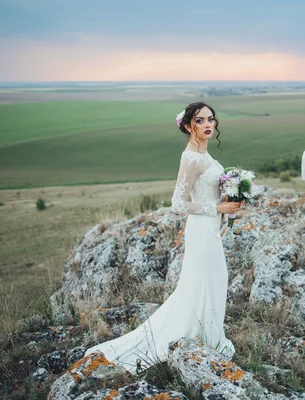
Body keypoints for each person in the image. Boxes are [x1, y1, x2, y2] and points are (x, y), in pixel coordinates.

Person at [85, 102, 242, 373]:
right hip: (201, 230)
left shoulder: (205, 156)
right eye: (200, 120)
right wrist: (217, 208)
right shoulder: (191, 158)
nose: (208, 124)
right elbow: (178, 204)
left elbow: (207, 191)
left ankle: (210, 338)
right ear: (187, 125)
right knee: (201, 285)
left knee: (214, 281)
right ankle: (198, 339)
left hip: (211, 229)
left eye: (211, 119)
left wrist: (230, 198)